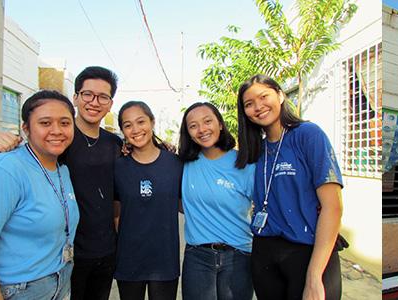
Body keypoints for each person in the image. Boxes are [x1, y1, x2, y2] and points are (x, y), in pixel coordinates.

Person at [0, 66, 123, 299]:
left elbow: (117, 193)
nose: (94, 102)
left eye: (103, 96)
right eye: (87, 94)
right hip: (63, 256)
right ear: (76, 98)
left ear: (110, 104)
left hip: (106, 249)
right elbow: (17, 164)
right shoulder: (57, 140)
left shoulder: (115, 144)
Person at [0, 90, 79, 299]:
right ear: (26, 128)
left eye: (65, 123)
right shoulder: (2, 169)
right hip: (11, 291)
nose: (57, 130)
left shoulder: (61, 171)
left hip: (55, 283)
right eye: (45, 123)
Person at [235, 74, 344, 299]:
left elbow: (333, 207)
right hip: (264, 252)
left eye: (264, 96)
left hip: (307, 251)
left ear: (281, 95)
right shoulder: (256, 151)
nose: (258, 107)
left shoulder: (308, 135)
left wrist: (314, 277)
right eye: (249, 104)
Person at [179, 102, 255, 300]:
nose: (202, 129)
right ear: (188, 132)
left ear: (220, 124)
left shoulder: (244, 163)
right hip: (198, 257)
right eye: (193, 126)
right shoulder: (184, 163)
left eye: (207, 121)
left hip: (238, 256)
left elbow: (267, 206)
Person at [113, 101, 182, 300]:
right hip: (129, 258)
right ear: (123, 131)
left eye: (140, 121)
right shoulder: (118, 166)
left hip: (165, 259)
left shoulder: (175, 163)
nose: (135, 129)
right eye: (128, 125)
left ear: (152, 122)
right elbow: (115, 211)